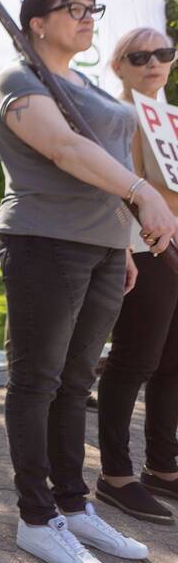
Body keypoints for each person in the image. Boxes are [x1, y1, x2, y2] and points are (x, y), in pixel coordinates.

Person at [0, 0, 176, 563]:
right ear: (37, 22)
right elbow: (66, 151)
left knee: (75, 382)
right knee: (37, 380)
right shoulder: (18, 79)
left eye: (91, 8)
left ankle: (73, 505)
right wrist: (144, 195)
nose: (88, 16)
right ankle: (35, 516)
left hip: (100, 246)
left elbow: (107, 164)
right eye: (74, 8)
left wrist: (121, 242)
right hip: (44, 241)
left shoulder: (86, 85)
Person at [95, 27, 178, 524]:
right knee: (134, 361)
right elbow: (110, 186)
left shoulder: (171, 119)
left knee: (173, 364)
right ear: (118, 65)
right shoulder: (114, 116)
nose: (153, 63)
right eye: (138, 55)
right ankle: (115, 474)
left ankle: (162, 468)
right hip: (142, 252)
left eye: (163, 53)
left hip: (177, 252)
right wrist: (123, 242)